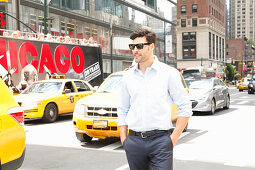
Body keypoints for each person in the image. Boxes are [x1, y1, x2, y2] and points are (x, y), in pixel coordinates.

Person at [117, 28, 192, 170]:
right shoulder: (127, 76)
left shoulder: (168, 73)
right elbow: (123, 109)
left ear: (151, 46)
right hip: (134, 141)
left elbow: (185, 107)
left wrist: (172, 140)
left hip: (160, 141)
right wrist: (124, 140)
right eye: (132, 46)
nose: (135, 50)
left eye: (139, 46)